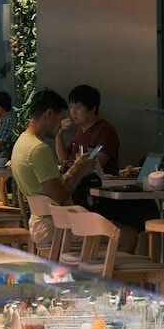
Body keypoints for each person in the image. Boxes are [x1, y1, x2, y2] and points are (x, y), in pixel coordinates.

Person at [11, 89, 97, 251]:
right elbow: (59, 196)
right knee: (123, 234)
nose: (60, 125)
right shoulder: (39, 149)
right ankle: (101, 274)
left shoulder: (21, 143)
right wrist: (80, 170)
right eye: (60, 118)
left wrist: (74, 169)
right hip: (55, 225)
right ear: (49, 114)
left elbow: (51, 187)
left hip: (39, 222)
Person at [54, 83, 121, 173]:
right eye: (71, 107)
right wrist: (58, 134)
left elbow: (96, 165)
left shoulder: (105, 130)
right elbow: (64, 158)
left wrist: (67, 164)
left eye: (78, 107)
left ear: (93, 109)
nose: (73, 112)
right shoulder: (79, 130)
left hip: (99, 184)